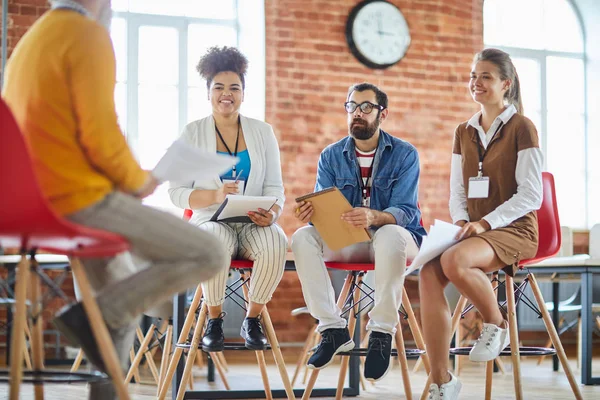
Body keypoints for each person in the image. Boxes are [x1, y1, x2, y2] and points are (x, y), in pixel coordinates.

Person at [2, 1, 228, 398]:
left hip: (29, 206)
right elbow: (101, 134)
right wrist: (139, 180)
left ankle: (103, 327)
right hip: (76, 200)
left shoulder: (33, 40)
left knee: (122, 288)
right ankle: (95, 314)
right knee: (208, 252)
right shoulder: (86, 34)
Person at [419, 48, 543, 400]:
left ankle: (497, 323)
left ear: (506, 83)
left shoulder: (522, 127)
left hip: (515, 230)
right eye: (474, 76)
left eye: (486, 77)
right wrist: (461, 220)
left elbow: (531, 196)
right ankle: (442, 381)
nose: (476, 83)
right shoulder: (464, 131)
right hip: (474, 230)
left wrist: (485, 223)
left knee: (454, 261)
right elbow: (457, 189)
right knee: (429, 271)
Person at [291, 82, 426, 382]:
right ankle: (332, 328)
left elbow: (406, 212)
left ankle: (380, 333)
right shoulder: (330, 155)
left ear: (383, 114)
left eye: (366, 107)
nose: (357, 113)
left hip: (397, 239)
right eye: (352, 106)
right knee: (302, 236)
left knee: (390, 234)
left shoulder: (405, 154)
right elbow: (324, 207)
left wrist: (373, 216)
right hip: (350, 239)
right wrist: (312, 215)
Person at [169, 46, 287, 352]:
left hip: (251, 223)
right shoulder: (192, 133)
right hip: (210, 220)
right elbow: (176, 191)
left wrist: (272, 214)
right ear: (208, 92)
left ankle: (253, 319)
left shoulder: (262, 132)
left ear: (244, 94)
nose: (226, 94)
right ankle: (215, 320)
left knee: (276, 239)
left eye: (234, 87)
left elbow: (276, 187)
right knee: (214, 241)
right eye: (219, 87)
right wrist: (215, 195)